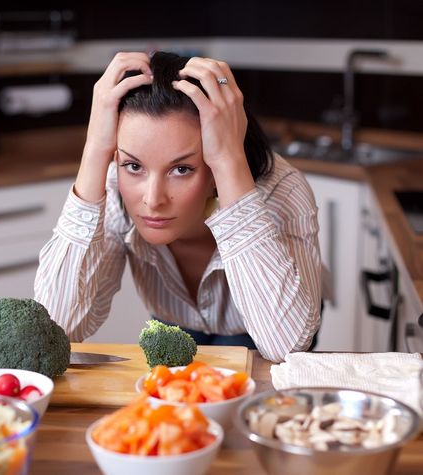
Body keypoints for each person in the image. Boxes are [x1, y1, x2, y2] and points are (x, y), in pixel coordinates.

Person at [34, 51, 322, 362]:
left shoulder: (281, 191)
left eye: (181, 169)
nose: (152, 199)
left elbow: (286, 346)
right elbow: (56, 328)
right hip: (174, 322)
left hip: (267, 327)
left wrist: (228, 161)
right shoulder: (114, 185)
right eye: (133, 165)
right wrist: (94, 149)